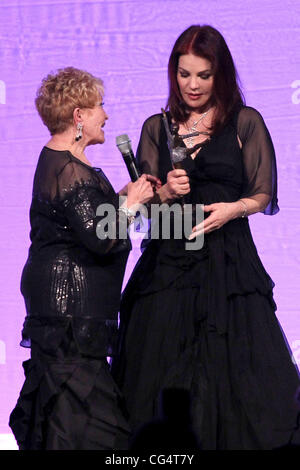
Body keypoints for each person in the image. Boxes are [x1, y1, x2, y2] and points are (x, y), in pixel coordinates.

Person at [111, 25, 300, 450]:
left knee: (244, 387)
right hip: (168, 268)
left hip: (230, 266)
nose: (192, 85)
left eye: (203, 75)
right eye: (184, 74)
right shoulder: (154, 128)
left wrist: (234, 209)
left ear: (221, 75)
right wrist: (163, 192)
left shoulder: (245, 122)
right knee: (156, 384)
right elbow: (142, 206)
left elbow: (263, 193)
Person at [9, 66, 158, 450]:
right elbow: (100, 236)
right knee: (89, 429)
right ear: (79, 116)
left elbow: (87, 219)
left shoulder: (65, 162)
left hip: (64, 314)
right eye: (99, 107)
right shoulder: (70, 169)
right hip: (70, 317)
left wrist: (127, 194)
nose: (105, 115)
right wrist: (132, 204)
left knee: (71, 424)